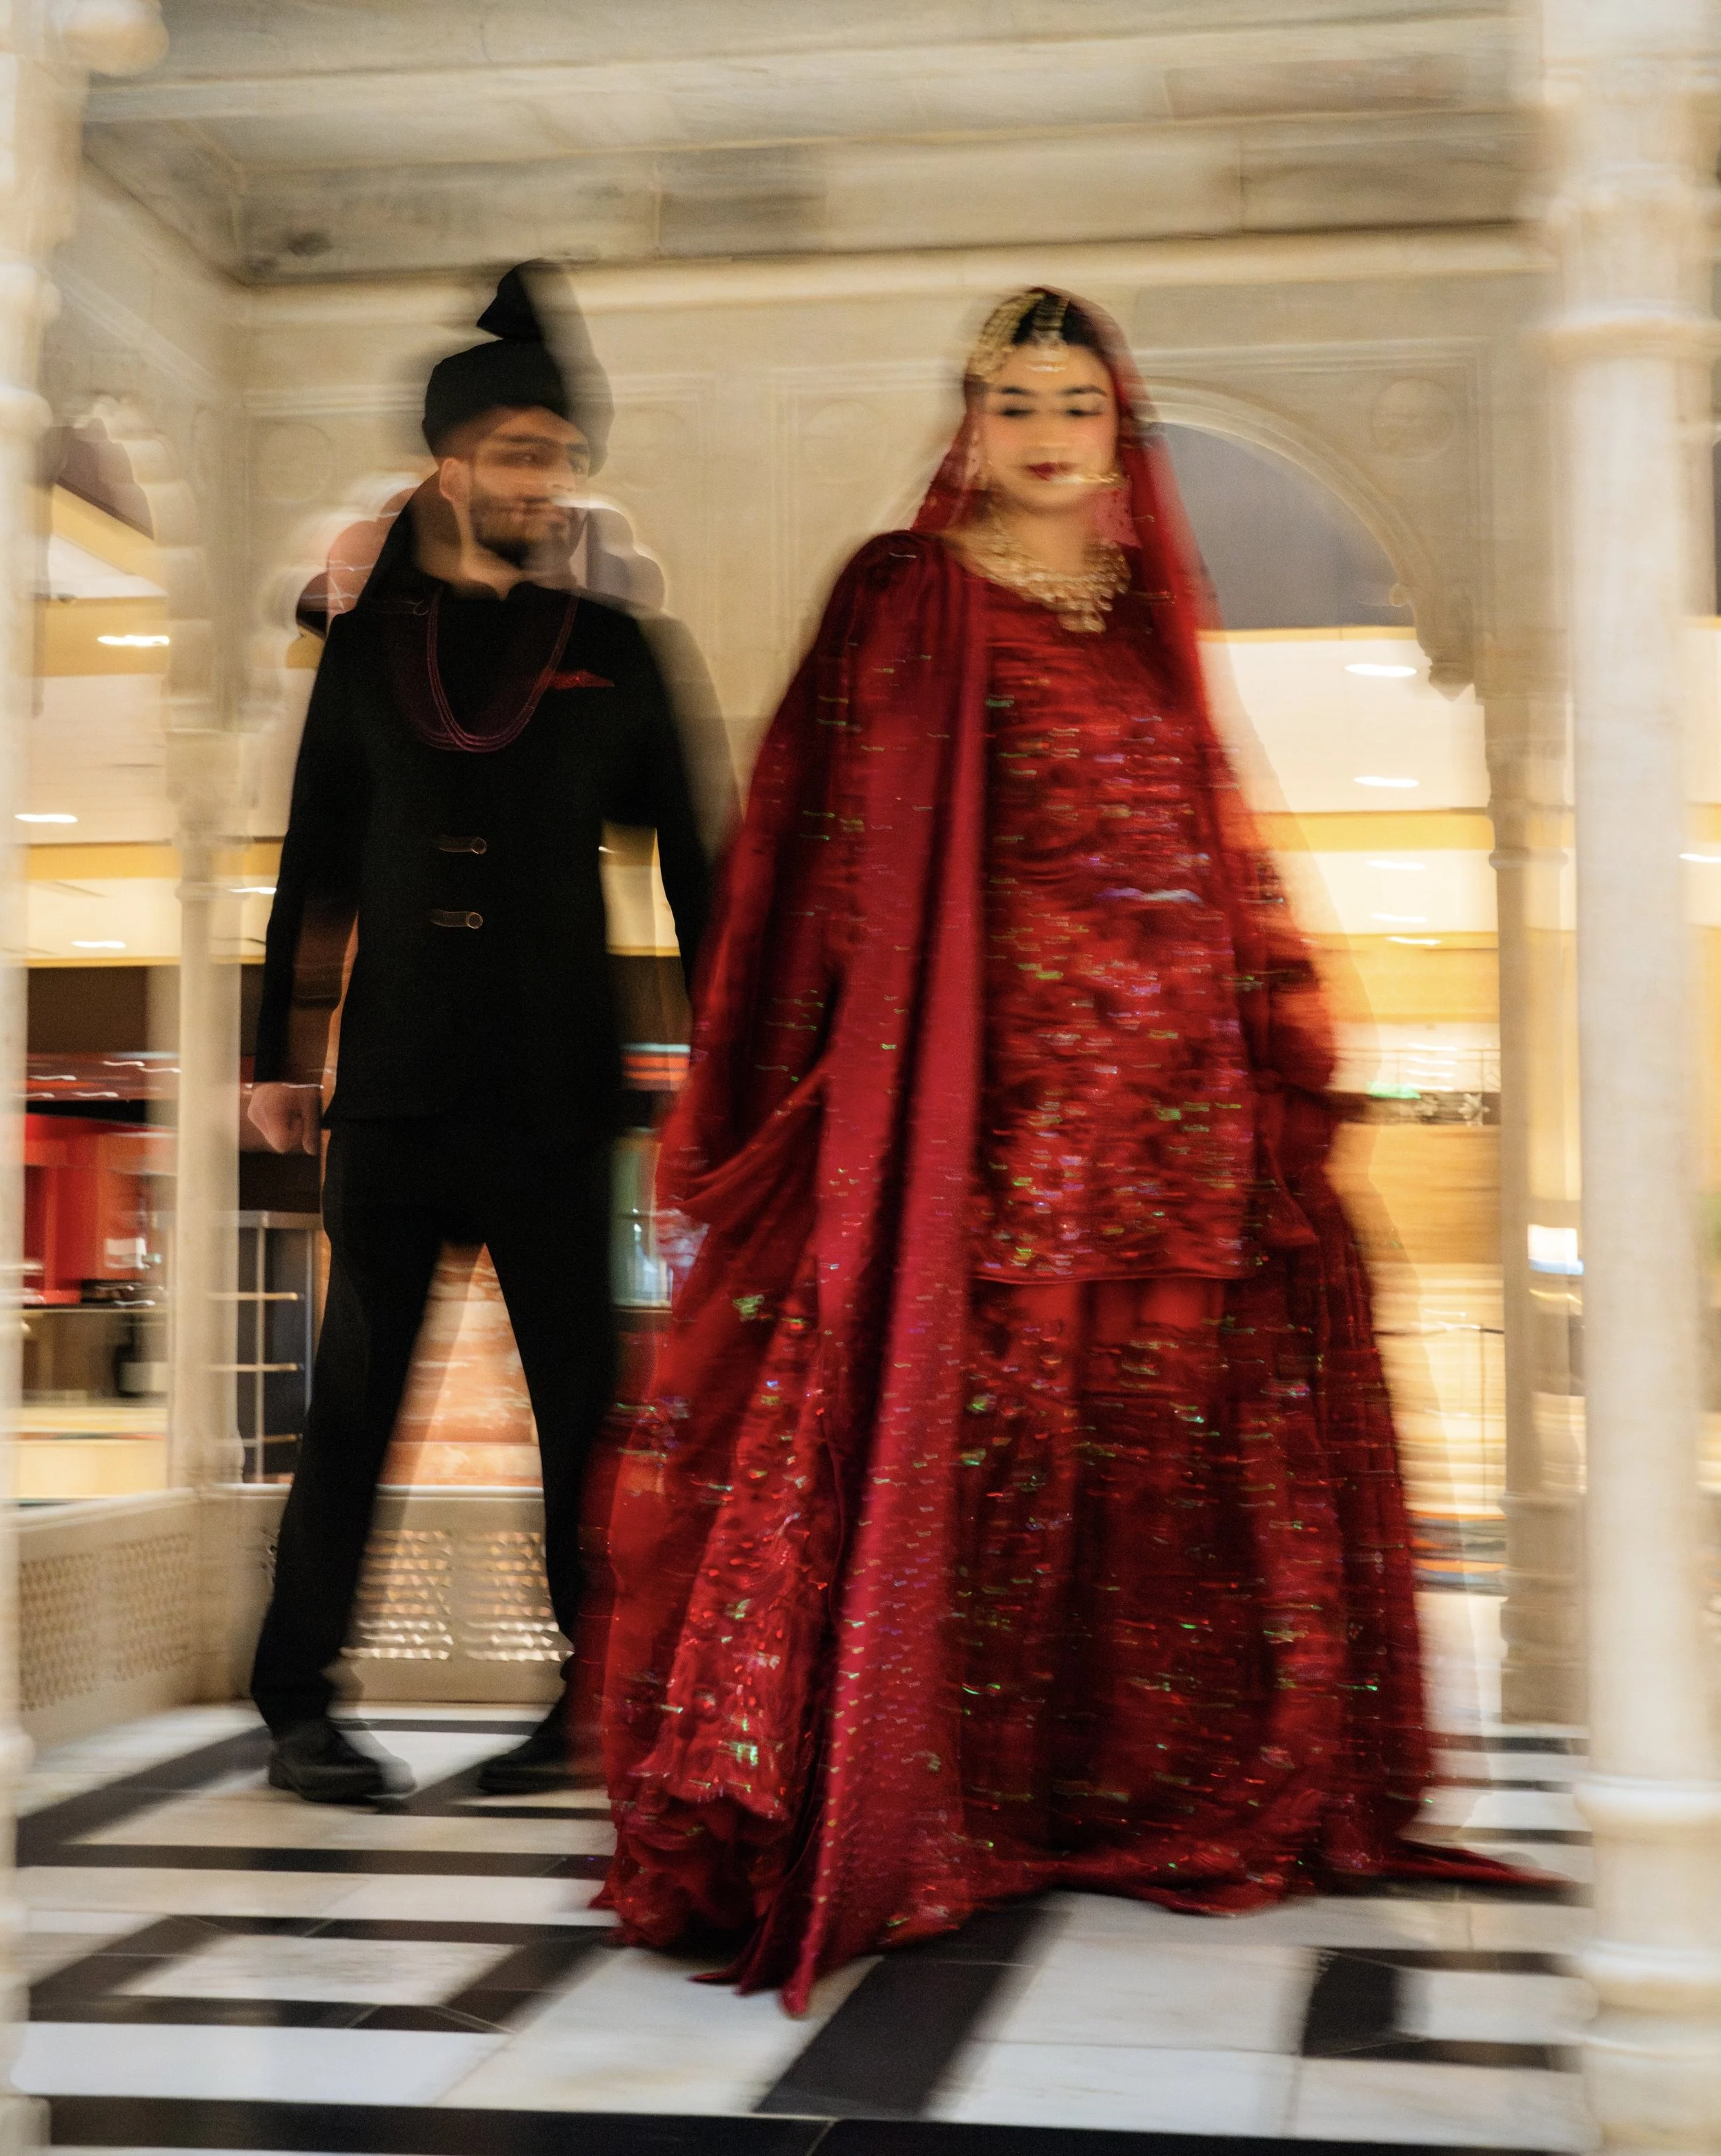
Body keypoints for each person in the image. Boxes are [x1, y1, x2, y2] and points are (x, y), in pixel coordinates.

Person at [597, 289, 1518, 2008]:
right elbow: (837, 846)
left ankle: (1123, 1778)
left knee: (1152, 1430)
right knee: (987, 1419)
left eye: (1076, 403)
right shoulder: (912, 591)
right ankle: (942, 1789)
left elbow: (1203, 849)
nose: (1043, 428)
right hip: (989, 1103)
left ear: (1115, 429)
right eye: (1012, 397)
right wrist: (863, 1087)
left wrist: (1252, 1048)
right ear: (970, 419)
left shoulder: (1144, 614)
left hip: (1166, 1104)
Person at [248, 264, 712, 1803]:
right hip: (388, 1094)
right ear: (447, 461)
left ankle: (588, 1704)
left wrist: (719, 1057)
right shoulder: (369, 646)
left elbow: (695, 865)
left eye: (557, 457)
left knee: (583, 1410)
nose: (539, 480)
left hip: (553, 1091)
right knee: (354, 1407)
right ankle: (302, 1703)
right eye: (513, 453)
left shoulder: (615, 648)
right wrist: (277, 1058)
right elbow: (312, 863)